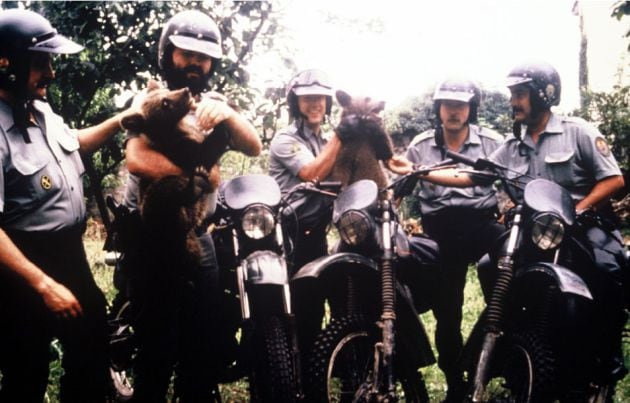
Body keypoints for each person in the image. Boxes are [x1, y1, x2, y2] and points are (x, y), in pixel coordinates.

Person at [418, 61, 627, 385]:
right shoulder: (511, 146)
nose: (513, 101)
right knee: (491, 266)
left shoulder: (578, 131)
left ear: (544, 96)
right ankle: (519, 345)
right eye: (512, 94)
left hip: (585, 225)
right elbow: (473, 176)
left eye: (521, 94)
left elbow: (614, 180)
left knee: (608, 270)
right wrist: (417, 171)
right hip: (537, 231)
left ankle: (609, 354)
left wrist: (580, 209)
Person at [120, 9, 261, 402]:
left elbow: (253, 145)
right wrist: (196, 178)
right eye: (187, 53)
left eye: (204, 56)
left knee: (202, 344)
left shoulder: (214, 103)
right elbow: (138, 160)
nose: (196, 63)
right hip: (153, 237)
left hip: (200, 237)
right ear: (169, 54)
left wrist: (229, 115)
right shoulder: (151, 98)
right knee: (156, 350)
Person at [0, 8, 137, 401]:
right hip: (22, 269)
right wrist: (43, 286)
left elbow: (72, 142)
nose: (52, 73)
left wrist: (121, 121)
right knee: (27, 369)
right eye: (41, 62)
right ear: (6, 63)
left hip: (69, 256)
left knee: (91, 349)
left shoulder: (38, 109)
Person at [404, 78, 504, 401]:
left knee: (514, 272)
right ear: (439, 108)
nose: (454, 112)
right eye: (448, 105)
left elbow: (505, 181)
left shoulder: (491, 141)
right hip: (441, 231)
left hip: (482, 223)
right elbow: (400, 187)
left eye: (461, 106)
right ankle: (454, 378)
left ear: (470, 109)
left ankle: (511, 353)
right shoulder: (419, 146)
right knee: (448, 313)